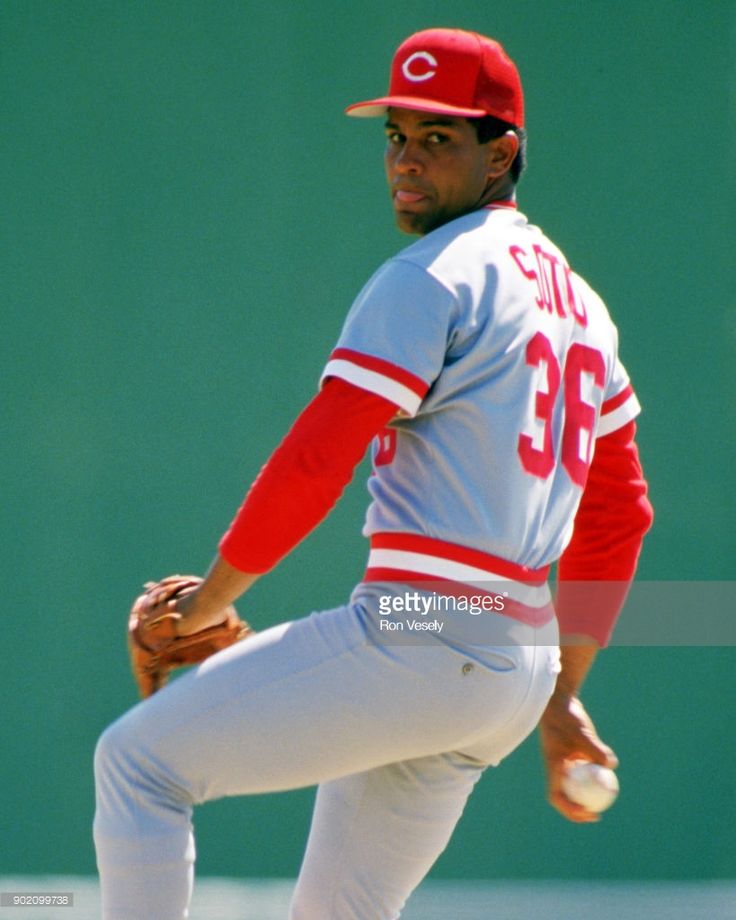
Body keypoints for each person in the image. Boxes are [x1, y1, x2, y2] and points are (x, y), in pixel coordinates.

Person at [94, 27, 653, 920]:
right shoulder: (585, 308)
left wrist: (206, 605)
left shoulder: (431, 275)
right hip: (507, 673)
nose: (407, 161)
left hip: (418, 631)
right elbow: (620, 515)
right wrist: (560, 695)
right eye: (397, 136)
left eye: (439, 140)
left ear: (501, 150)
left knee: (139, 767)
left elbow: (321, 453)